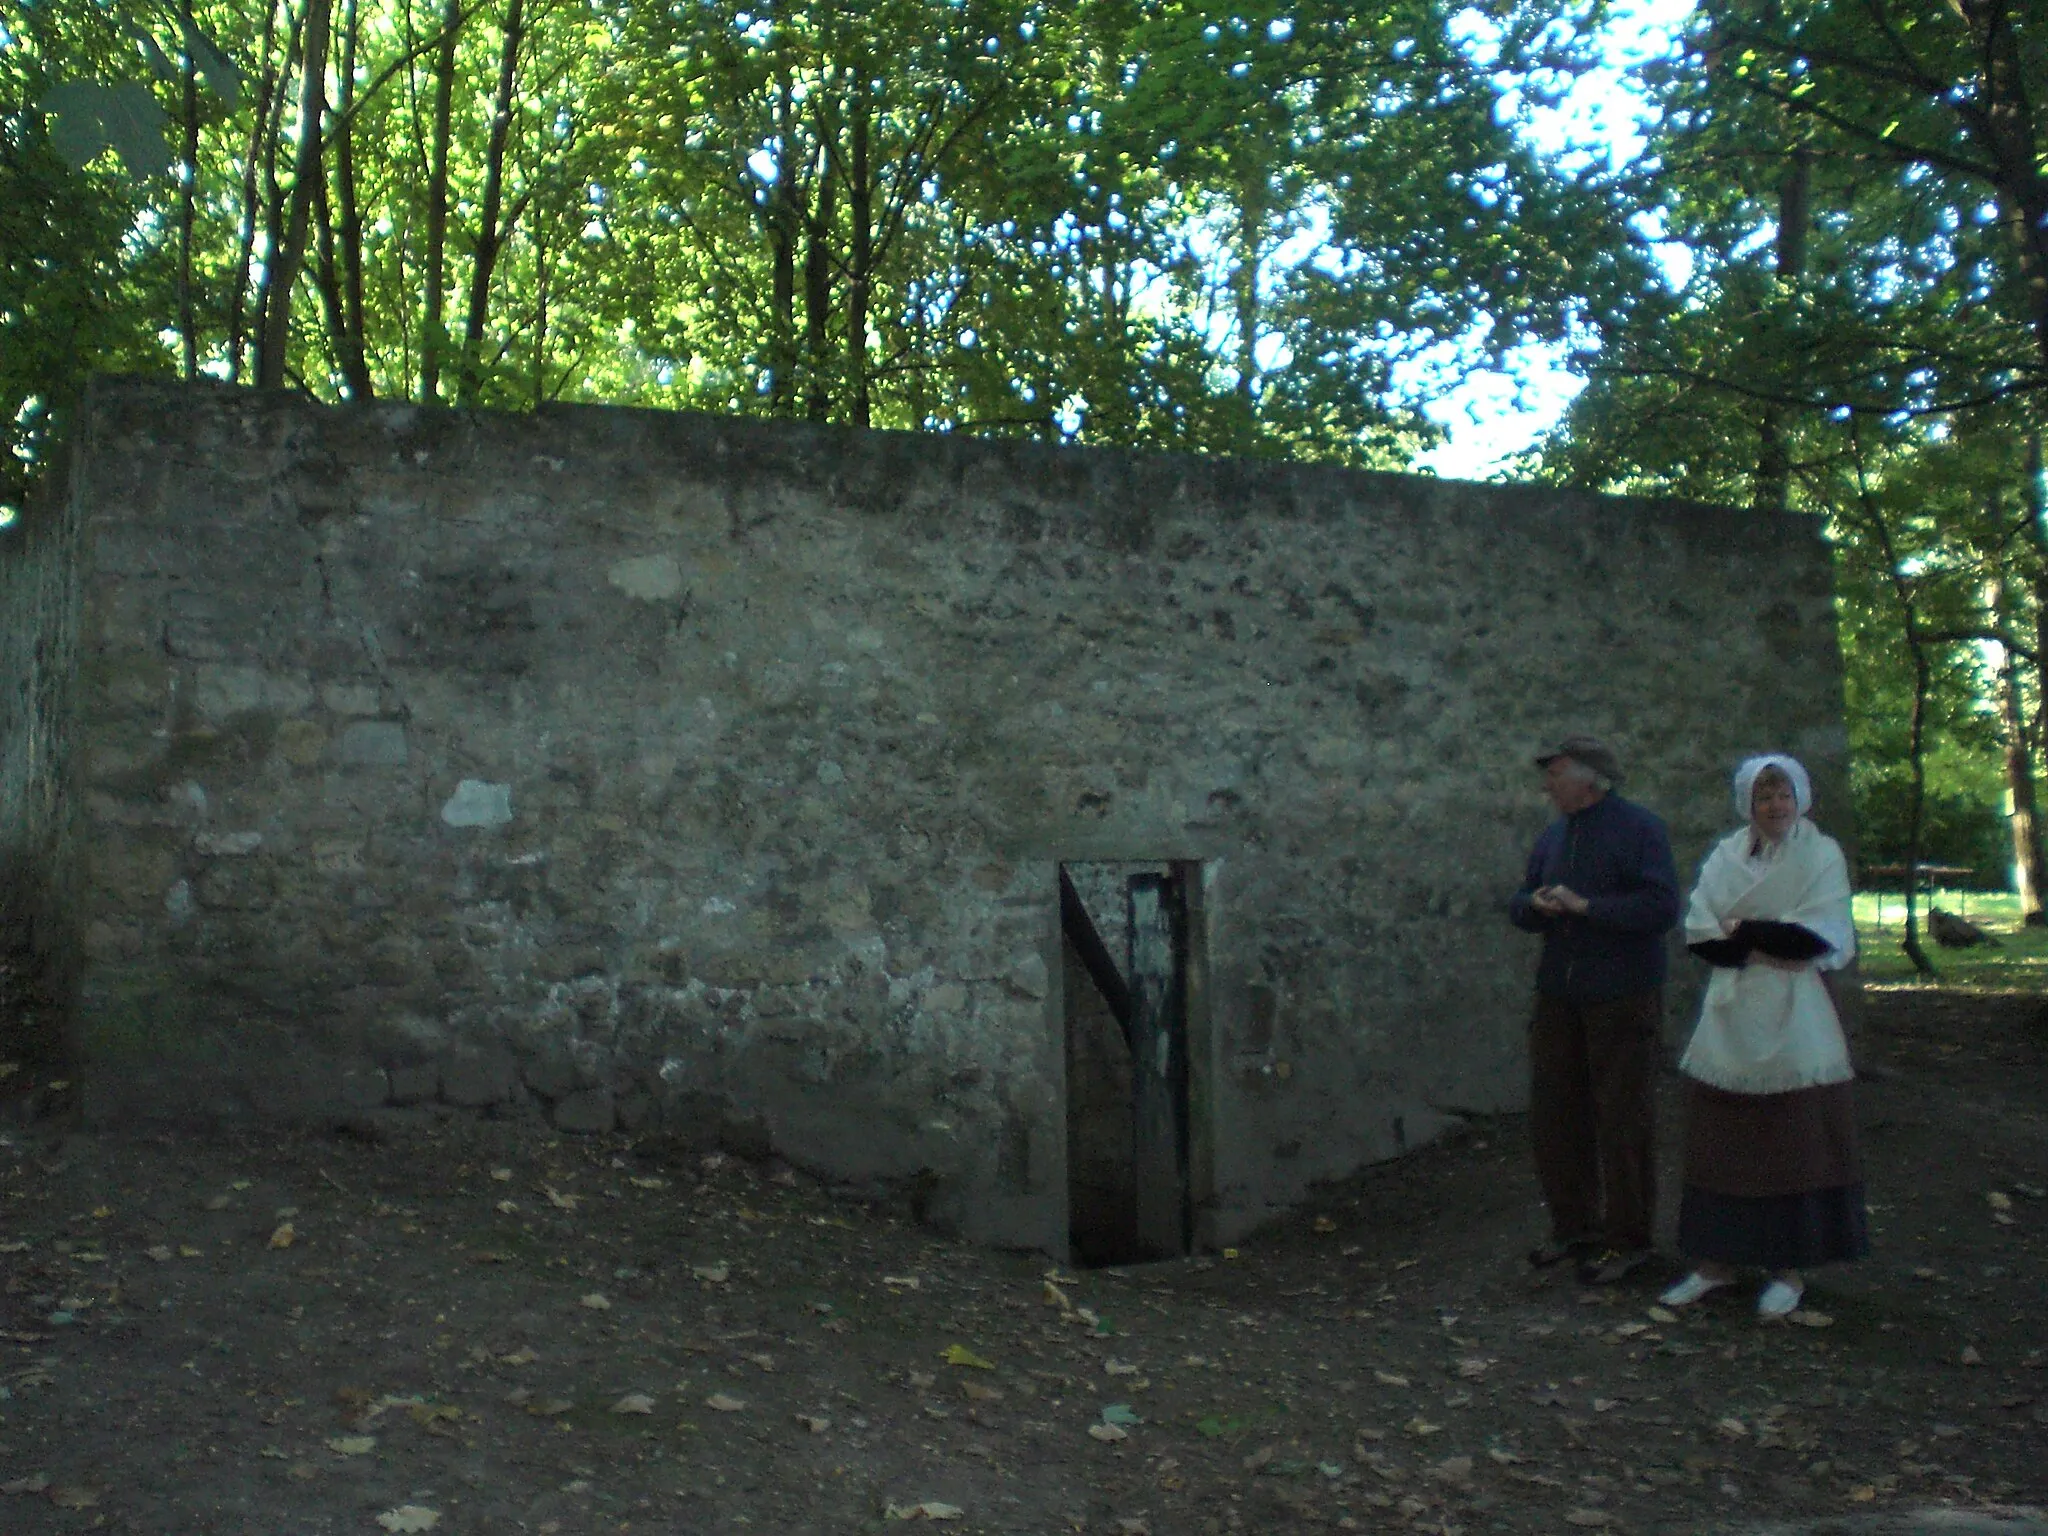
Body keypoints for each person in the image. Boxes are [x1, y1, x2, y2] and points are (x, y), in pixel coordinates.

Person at [1659, 755, 1867, 1318]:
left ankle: (1788, 1269)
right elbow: (1701, 933)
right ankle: (1715, 1263)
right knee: (1723, 1139)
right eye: (1762, 797)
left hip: (1796, 1015)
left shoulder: (1819, 854)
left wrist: (1745, 928)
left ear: (1800, 799)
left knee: (1792, 1139)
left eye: (1782, 795)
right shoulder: (1727, 855)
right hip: (1730, 1015)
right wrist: (1760, 933)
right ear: (1747, 804)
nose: (1774, 806)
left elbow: (1815, 935)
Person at [1508, 736, 1681, 1285]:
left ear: (1590, 779)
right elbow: (1520, 902)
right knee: (1556, 1114)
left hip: (1622, 994)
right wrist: (1534, 905)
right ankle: (1574, 1227)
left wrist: (1589, 908)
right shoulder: (1554, 836)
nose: (1547, 785)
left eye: (1555, 773)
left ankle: (1628, 1239)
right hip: (1560, 993)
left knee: (1623, 1117)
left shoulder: (1639, 830)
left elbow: (1660, 907)